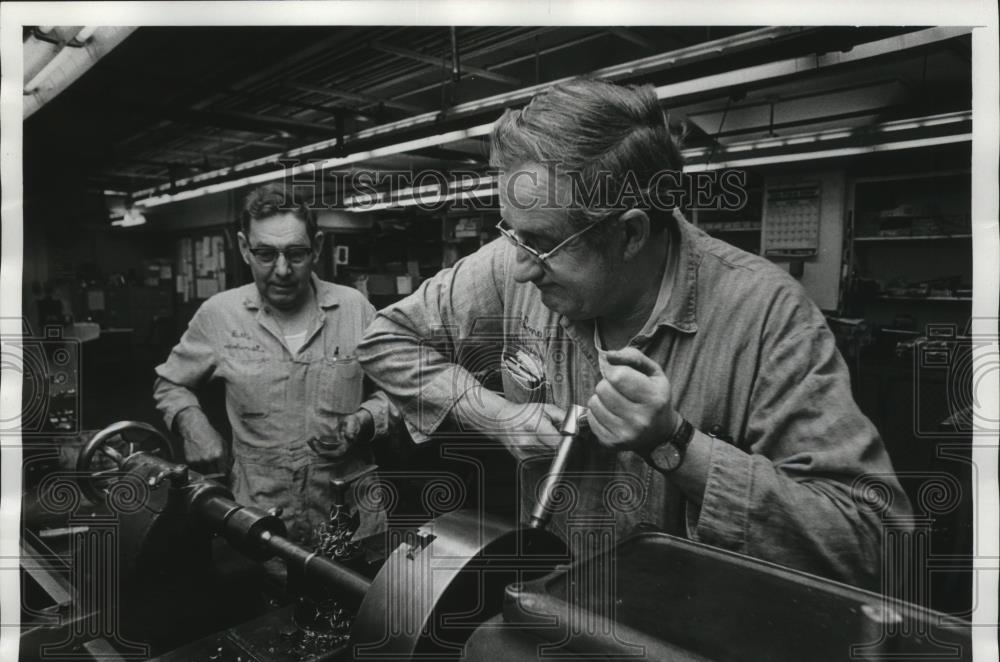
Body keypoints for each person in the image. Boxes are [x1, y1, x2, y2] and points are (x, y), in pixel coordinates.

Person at [355, 78, 911, 589]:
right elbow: (386, 341)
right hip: (558, 599)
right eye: (511, 235)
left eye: (541, 244)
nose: (520, 267)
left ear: (630, 234)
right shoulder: (515, 262)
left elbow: (872, 540)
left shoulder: (765, 315)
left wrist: (676, 446)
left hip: (696, 640)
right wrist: (498, 415)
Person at [154, 184, 394, 550]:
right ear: (242, 248)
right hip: (261, 517)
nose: (281, 270)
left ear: (316, 246)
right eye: (265, 254)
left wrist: (364, 420)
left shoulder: (354, 308)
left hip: (351, 513)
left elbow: (395, 392)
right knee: (269, 605)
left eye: (296, 253)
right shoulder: (220, 315)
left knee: (358, 602)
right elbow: (170, 384)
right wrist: (193, 424)